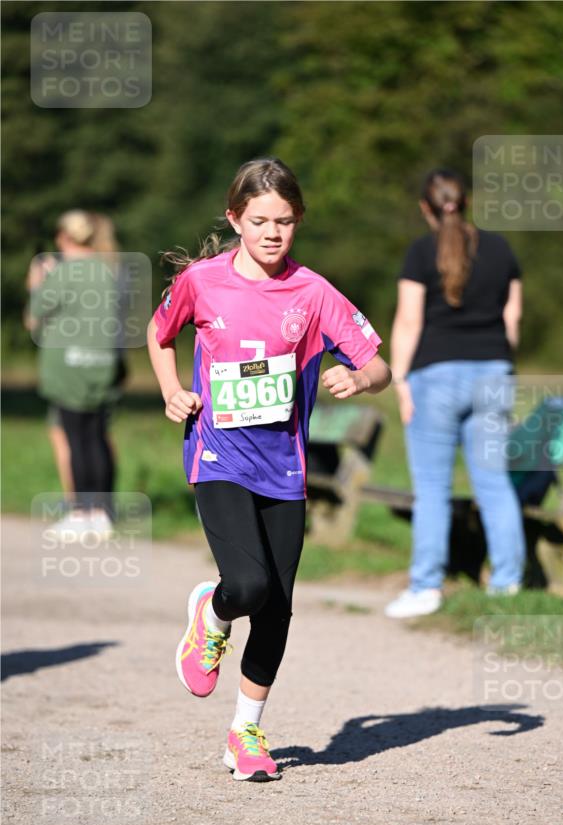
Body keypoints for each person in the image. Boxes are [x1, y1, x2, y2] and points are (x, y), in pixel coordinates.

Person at [147, 157, 391, 782]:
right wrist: (172, 390)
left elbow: (378, 364)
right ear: (235, 219)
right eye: (259, 221)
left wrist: (359, 377)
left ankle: (245, 733)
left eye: (284, 221)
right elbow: (159, 331)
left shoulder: (313, 293)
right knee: (248, 586)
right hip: (218, 455)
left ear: (298, 221)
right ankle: (215, 612)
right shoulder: (202, 282)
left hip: (285, 468)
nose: (272, 233)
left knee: (278, 608)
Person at [385, 168, 525, 619]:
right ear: (466, 202)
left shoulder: (419, 252)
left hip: (435, 377)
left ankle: (426, 587)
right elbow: (512, 322)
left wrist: (400, 382)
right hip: (493, 374)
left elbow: (409, 322)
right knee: (494, 484)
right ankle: (507, 585)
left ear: (425, 208)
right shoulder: (501, 249)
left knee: (431, 489)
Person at [26, 210, 127, 540]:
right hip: (103, 364)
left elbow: (34, 317)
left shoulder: (63, 272)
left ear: (64, 237)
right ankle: (100, 514)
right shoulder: (110, 271)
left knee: (76, 438)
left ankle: (81, 513)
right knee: (96, 436)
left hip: (68, 367)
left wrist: (37, 285)